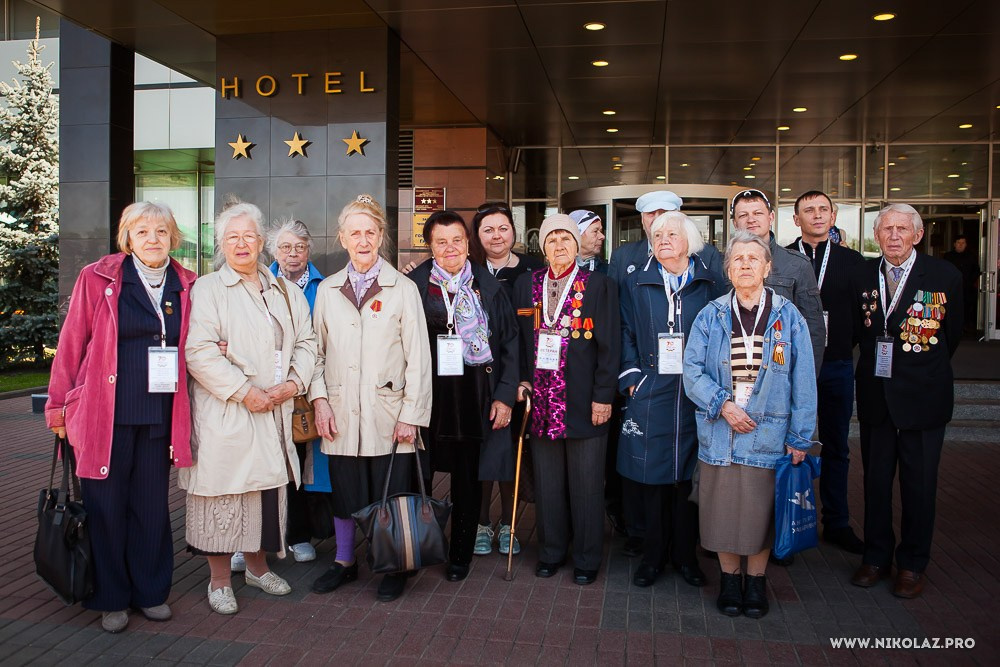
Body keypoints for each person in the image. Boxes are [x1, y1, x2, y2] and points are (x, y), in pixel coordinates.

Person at [45, 202, 196, 633]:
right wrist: (57, 407)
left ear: (173, 238)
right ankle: (110, 597)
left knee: (150, 508)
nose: (153, 239)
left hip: (159, 415)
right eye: (143, 231)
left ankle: (150, 592)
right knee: (106, 507)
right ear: (127, 238)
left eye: (162, 232)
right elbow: (72, 343)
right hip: (102, 414)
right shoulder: (99, 277)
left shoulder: (187, 284)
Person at [182, 201, 316, 615]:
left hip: (274, 410)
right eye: (232, 238)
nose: (242, 244)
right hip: (228, 411)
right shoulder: (207, 289)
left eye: (249, 236)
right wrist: (245, 391)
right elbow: (199, 353)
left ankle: (258, 568)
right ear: (222, 244)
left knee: (264, 495)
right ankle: (220, 581)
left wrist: (294, 383)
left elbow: (309, 344)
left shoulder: (287, 291)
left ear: (262, 242)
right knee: (221, 496)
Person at [684, 230, 817, 619]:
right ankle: (729, 580)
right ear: (728, 269)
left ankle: (756, 582)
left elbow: (804, 378)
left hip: (769, 433)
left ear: (767, 267)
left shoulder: (787, 316)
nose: (745, 264)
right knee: (722, 511)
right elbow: (691, 371)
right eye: (737, 259)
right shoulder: (712, 314)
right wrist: (722, 405)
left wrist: (801, 437)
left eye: (753, 258)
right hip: (721, 430)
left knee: (761, 511)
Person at [308, 194, 432, 602]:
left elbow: (418, 357)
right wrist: (320, 400)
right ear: (343, 238)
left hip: (388, 412)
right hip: (341, 410)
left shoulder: (403, 288)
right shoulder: (327, 290)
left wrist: (411, 414)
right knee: (344, 491)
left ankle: (394, 564)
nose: (363, 240)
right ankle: (345, 561)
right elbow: (316, 352)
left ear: (381, 236)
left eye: (371, 232)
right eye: (355, 233)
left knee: (390, 493)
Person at [848, 204, 962, 599]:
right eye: (887, 229)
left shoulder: (944, 275)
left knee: (919, 486)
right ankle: (875, 557)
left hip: (923, 398)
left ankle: (912, 564)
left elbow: (952, 335)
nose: (894, 236)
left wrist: (918, 372)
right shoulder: (862, 274)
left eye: (902, 229)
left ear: (917, 234)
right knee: (876, 482)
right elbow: (854, 331)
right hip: (877, 397)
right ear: (877, 236)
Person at [607, 190, 723, 556]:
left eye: (671, 234)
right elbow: (622, 328)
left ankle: (685, 556)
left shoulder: (709, 281)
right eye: (657, 235)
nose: (662, 240)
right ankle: (652, 552)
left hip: (694, 391)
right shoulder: (637, 280)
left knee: (688, 472)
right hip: (651, 386)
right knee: (650, 471)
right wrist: (630, 378)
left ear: (690, 240)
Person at [409, 210, 519, 582]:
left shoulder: (489, 288)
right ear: (430, 246)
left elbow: (510, 345)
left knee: (469, 480)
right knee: (421, 475)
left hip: (476, 397)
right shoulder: (414, 286)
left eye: (457, 239)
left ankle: (460, 553)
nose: (450, 248)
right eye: (441, 241)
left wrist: (504, 396)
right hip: (430, 398)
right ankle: (423, 545)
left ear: (467, 242)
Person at [513, 214, 621, 585]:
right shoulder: (527, 283)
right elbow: (518, 340)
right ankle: (551, 552)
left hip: (584, 400)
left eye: (566, 239)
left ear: (578, 245)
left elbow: (610, 347)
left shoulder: (598, 285)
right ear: (542, 247)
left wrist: (604, 396)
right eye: (552, 240)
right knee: (548, 484)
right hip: (541, 401)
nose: (559, 246)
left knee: (587, 483)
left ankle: (587, 558)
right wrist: (522, 380)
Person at [228, 220, 330, 573]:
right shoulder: (256, 283)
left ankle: (297, 534)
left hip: (299, 388)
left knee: (296, 464)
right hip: (255, 390)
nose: (293, 254)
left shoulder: (324, 286)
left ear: (309, 250)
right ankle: (246, 541)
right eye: (285, 247)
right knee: (251, 467)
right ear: (271, 250)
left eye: (300, 247)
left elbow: (313, 340)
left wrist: (300, 380)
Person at [787, 190, 866, 554]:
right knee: (788, 444)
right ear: (795, 219)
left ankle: (836, 521)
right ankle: (785, 521)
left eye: (823, 210)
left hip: (835, 364)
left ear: (833, 216)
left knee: (836, 445)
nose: (817, 216)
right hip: (788, 367)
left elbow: (866, 317)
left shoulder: (855, 262)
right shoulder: (783, 258)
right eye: (809, 211)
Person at [467, 202, 543, 557]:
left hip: (518, 378)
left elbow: (536, 332)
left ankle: (509, 524)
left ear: (514, 230)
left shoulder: (532, 270)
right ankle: (482, 523)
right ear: (477, 236)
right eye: (488, 230)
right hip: (475, 379)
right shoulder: (467, 270)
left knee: (511, 454)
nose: (497, 236)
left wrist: (524, 381)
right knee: (481, 453)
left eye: (503, 228)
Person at [942, 234, 979, 332]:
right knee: (951, 308)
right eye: (959, 243)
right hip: (951, 288)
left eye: (963, 243)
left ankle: (966, 327)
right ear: (954, 244)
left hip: (967, 288)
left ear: (966, 244)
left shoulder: (971, 256)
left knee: (966, 308)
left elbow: (976, 270)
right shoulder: (948, 256)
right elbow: (943, 271)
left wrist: (970, 281)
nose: (961, 245)